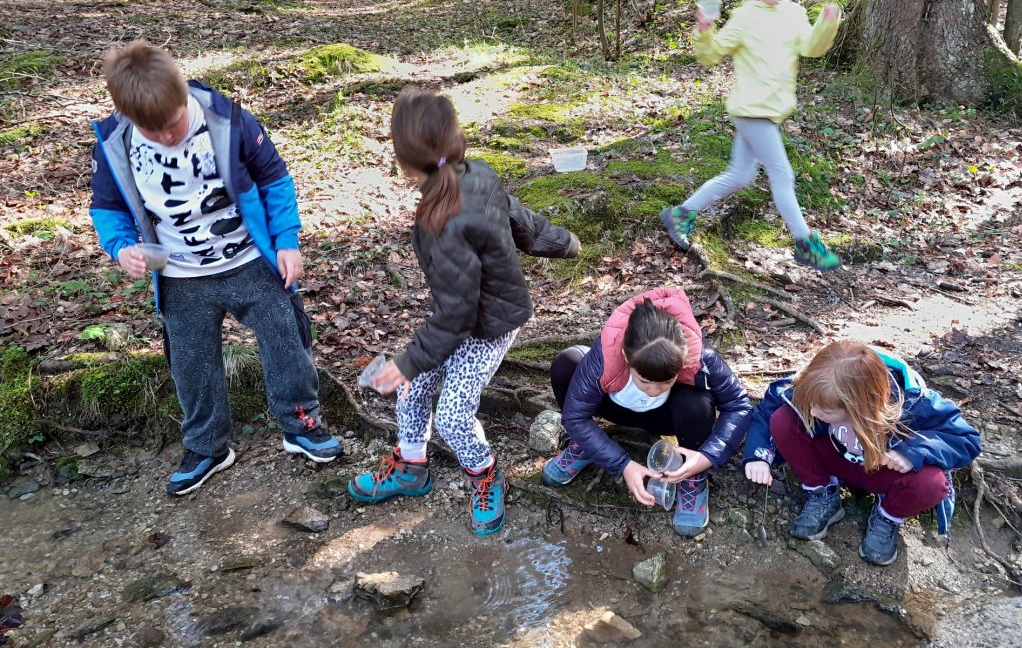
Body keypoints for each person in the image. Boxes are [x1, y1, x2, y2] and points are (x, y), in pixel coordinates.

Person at [89, 40, 342, 496]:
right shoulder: (116, 144)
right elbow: (107, 208)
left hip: (249, 259)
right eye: (154, 131)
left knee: (284, 337)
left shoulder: (227, 120)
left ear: (183, 95)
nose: (167, 136)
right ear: (129, 118)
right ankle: (207, 446)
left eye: (173, 124)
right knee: (191, 362)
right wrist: (121, 246)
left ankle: (301, 424)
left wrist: (286, 242)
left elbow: (274, 179)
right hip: (181, 275)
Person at [348, 88, 580, 537]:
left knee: (453, 413)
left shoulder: (443, 219)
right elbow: (519, 220)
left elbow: (514, 224)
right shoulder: (477, 174)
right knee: (412, 391)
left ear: (404, 162)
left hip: (488, 326)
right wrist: (563, 241)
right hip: (458, 316)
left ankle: (485, 473)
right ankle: (411, 467)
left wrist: (407, 362)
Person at [742, 340, 981, 565]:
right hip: (835, 460)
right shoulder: (815, 386)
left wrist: (912, 453)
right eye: (810, 403)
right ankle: (823, 494)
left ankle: (888, 516)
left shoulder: (914, 403)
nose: (812, 412)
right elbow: (767, 412)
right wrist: (758, 456)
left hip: (883, 470)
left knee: (932, 483)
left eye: (823, 409)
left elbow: (966, 439)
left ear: (859, 407)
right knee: (784, 419)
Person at [661, 0, 843, 271]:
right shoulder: (744, 17)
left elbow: (812, 47)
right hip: (750, 110)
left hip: (770, 111)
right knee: (782, 174)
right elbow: (712, 55)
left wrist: (827, 24)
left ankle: (680, 213)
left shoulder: (794, 13)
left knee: (738, 176)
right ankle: (805, 244)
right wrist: (705, 32)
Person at [542, 287, 752, 537]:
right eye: (644, 380)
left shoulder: (698, 357)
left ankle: (691, 476)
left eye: (665, 381)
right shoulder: (606, 354)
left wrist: (706, 457)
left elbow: (739, 405)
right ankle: (588, 445)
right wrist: (623, 465)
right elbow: (575, 416)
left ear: (683, 359)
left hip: (667, 418)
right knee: (567, 363)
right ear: (625, 356)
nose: (653, 390)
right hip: (617, 408)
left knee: (697, 402)